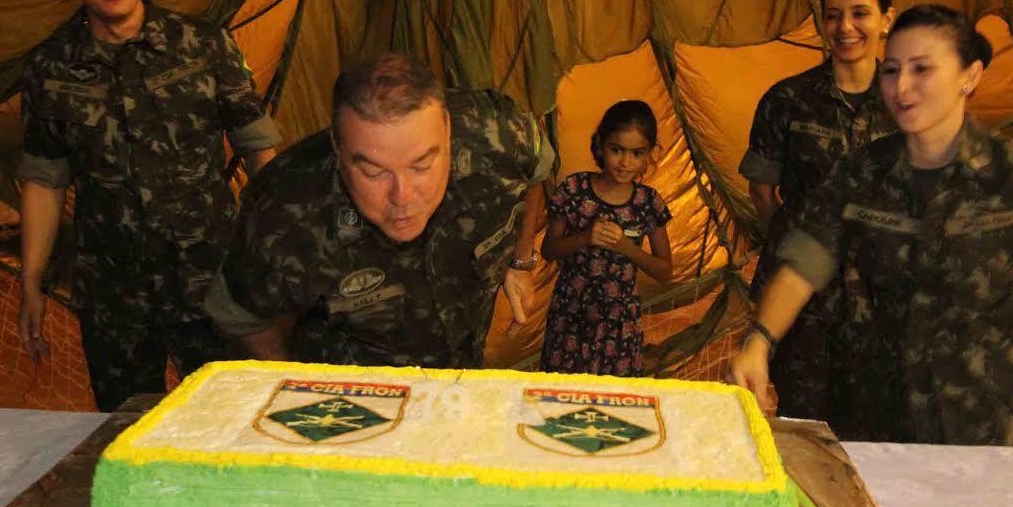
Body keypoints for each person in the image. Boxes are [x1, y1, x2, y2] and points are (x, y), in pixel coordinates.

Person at [729, 4, 1013, 445]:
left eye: (922, 69)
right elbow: (803, 264)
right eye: (891, 70)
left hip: (987, 413)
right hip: (876, 407)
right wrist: (760, 340)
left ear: (970, 75)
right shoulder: (860, 174)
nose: (901, 87)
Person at [17, 0, 280, 412]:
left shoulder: (202, 46)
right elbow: (45, 181)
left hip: (213, 284)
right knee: (125, 428)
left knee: (227, 423)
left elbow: (258, 150)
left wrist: (267, 252)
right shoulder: (49, 68)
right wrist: (31, 281)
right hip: (115, 299)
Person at [204, 52, 553, 368]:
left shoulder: (500, 135)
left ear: (448, 133)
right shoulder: (285, 207)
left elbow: (535, 171)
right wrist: (291, 383)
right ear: (337, 150)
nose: (402, 196)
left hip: (458, 379)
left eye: (421, 165)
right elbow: (238, 315)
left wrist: (521, 262)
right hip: (349, 399)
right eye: (373, 172)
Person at [737, 0, 899, 421]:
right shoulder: (786, 100)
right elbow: (763, 193)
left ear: (887, 18)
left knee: (876, 436)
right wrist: (795, 245)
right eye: (832, 15)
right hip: (799, 307)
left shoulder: (907, 101)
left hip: (880, 306)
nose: (844, 27)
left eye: (860, 13)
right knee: (799, 427)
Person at [539, 100, 672, 376]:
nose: (625, 162)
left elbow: (664, 270)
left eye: (637, 153)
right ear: (600, 145)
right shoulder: (574, 189)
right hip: (570, 316)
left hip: (619, 322)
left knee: (615, 404)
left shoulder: (648, 203)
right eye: (616, 150)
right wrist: (584, 238)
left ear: (649, 154)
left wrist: (625, 247)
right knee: (561, 398)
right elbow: (548, 249)